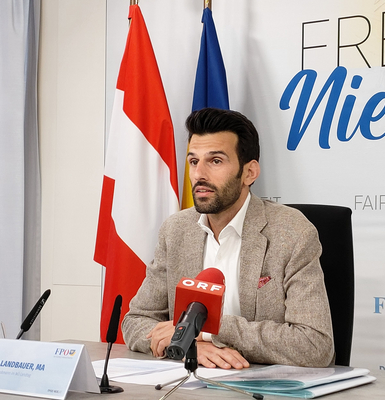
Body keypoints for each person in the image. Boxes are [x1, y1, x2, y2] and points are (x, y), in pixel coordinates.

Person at [121, 108, 334, 369]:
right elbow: (135, 321)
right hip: (191, 383)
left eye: (215, 161)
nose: (199, 174)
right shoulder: (176, 230)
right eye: (193, 161)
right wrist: (191, 347)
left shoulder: (292, 232)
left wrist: (208, 330)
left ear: (249, 172)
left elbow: (314, 345)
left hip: (263, 384)